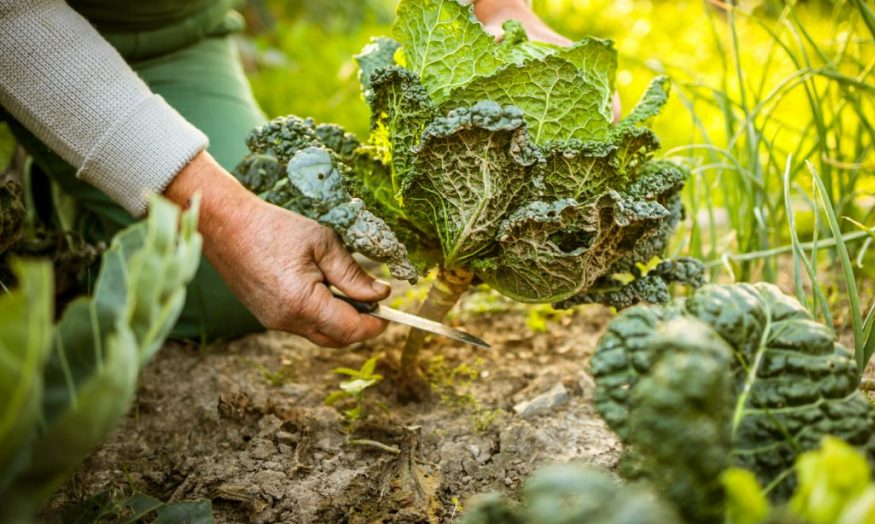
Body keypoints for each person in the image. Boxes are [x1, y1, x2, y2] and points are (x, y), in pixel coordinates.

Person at [0, 0, 574, 347]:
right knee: (217, 282)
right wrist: (227, 218)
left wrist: (500, 11)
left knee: (272, 254)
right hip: (38, 42)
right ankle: (50, 199)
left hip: (180, 32)